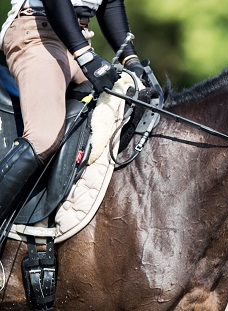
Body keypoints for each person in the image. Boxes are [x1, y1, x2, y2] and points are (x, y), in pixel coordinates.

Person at [0, 0, 144, 225]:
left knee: (130, 110)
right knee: (44, 137)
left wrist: (132, 60)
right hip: (38, 34)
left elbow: (111, 3)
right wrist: (85, 55)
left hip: (79, 40)